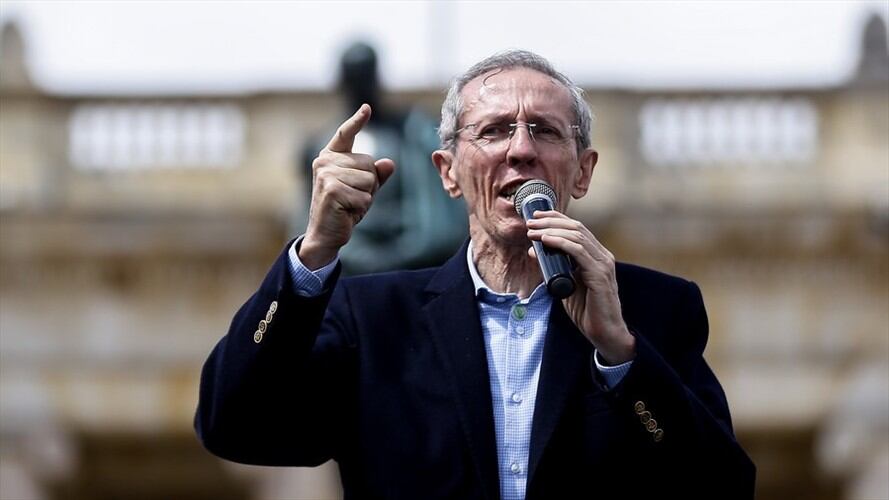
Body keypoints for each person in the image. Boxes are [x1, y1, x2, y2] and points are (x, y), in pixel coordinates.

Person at [196, 50, 756, 499]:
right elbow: (233, 423)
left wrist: (620, 356)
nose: (520, 150)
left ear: (582, 173)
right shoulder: (372, 321)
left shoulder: (655, 311)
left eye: (544, 130)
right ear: (448, 172)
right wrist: (314, 253)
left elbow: (722, 488)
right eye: (493, 132)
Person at [295, 41, 467, 274]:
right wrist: (358, 258)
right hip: (349, 267)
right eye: (355, 78)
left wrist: (405, 255)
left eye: (366, 77)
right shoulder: (319, 146)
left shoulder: (412, 133)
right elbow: (306, 225)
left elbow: (439, 218)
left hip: (413, 263)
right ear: (341, 82)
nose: (362, 87)